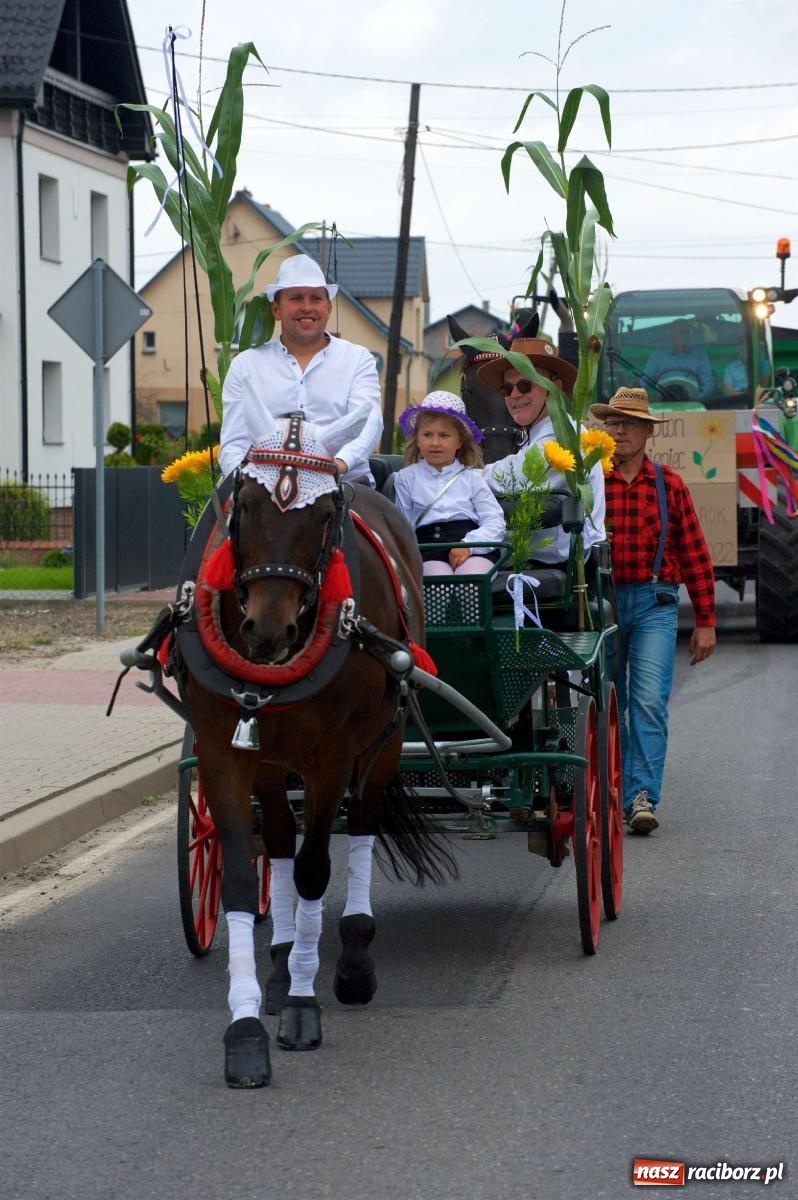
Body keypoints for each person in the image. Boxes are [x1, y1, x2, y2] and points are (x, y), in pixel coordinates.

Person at [589, 387, 717, 835]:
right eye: (613, 422)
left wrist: (705, 621)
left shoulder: (669, 485)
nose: (619, 430)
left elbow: (696, 553)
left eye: (628, 423)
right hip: (600, 607)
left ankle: (640, 796)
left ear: (647, 432)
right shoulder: (589, 482)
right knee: (609, 704)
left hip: (654, 604)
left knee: (646, 701)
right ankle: (613, 792)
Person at [219, 254, 383, 481]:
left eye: (315, 298)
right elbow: (233, 443)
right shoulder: (245, 366)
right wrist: (252, 481)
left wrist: (338, 464)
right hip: (264, 489)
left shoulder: (358, 359)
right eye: (296, 298)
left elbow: (369, 422)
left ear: (328, 308)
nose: (307, 307)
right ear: (276, 310)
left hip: (345, 485)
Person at [475, 337, 606, 564]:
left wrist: (456, 478)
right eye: (507, 388)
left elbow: (512, 477)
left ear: (554, 388)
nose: (515, 395)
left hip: (566, 572)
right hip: (538, 563)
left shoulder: (563, 435)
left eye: (526, 385)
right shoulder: (536, 435)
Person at [393, 391, 505, 575]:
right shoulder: (405, 478)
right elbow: (403, 526)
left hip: (471, 546)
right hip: (427, 549)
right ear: (418, 439)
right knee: (438, 582)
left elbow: (495, 521)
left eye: (444, 435)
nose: (435, 442)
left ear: (460, 441)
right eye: (427, 434)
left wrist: (469, 545)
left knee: (472, 580)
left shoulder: (472, 478)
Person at [641, 318, 714, 402]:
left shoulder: (700, 354)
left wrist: (697, 398)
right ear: (671, 333)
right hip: (662, 401)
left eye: (688, 332)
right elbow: (645, 379)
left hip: (692, 403)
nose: (685, 334)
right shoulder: (659, 355)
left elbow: (708, 382)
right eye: (681, 331)